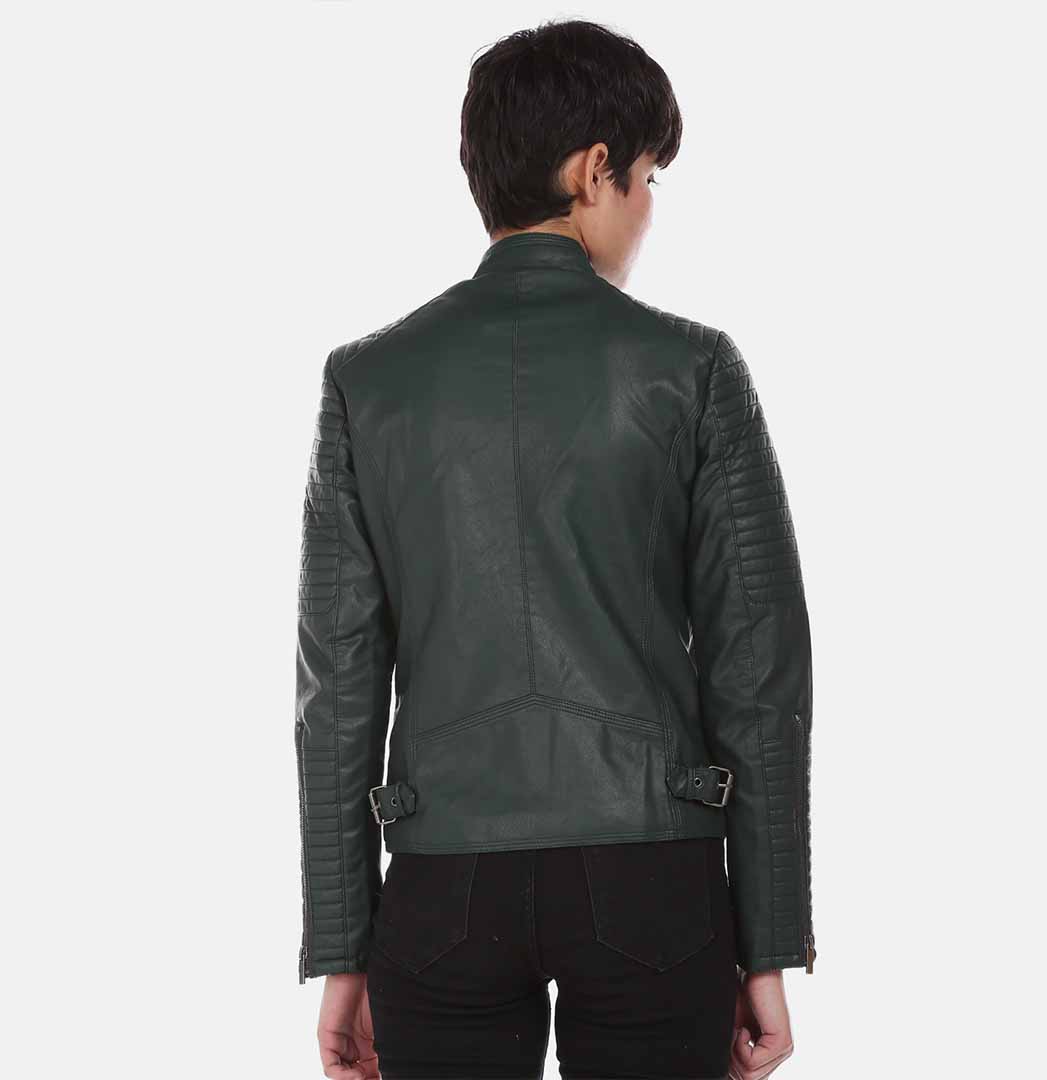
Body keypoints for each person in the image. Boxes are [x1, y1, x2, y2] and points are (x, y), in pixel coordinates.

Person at [294, 17, 815, 1080]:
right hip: (652, 876)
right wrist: (766, 940)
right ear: (593, 171)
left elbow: (337, 691)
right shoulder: (694, 370)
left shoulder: (367, 381)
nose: (650, 207)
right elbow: (758, 674)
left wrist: (344, 944)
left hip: (442, 884)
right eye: (649, 179)